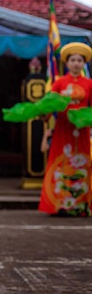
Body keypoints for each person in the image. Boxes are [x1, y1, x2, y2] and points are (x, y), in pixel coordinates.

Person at [39, 43, 92, 216]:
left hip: (81, 130)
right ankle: (59, 204)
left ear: (83, 63)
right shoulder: (59, 82)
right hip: (63, 128)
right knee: (61, 163)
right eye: (73, 60)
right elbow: (48, 104)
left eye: (79, 60)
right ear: (67, 63)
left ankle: (81, 205)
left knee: (82, 163)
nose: (76, 63)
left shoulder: (89, 84)